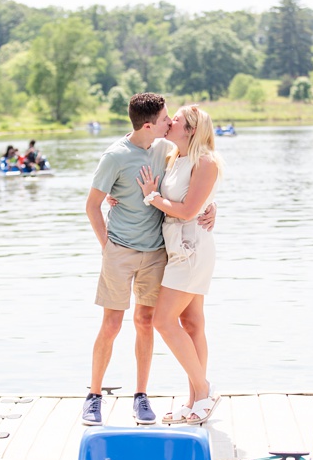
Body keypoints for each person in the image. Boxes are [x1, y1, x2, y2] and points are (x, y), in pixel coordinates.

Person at [83, 93, 215, 426]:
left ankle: (142, 396)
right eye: (165, 119)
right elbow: (92, 205)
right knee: (111, 325)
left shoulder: (165, 149)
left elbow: (192, 189)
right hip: (121, 250)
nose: (170, 123)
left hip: (160, 252)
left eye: (173, 120)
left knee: (147, 322)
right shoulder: (115, 156)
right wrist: (106, 246)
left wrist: (211, 209)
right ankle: (94, 395)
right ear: (148, 124)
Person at [137, 105, 221, 425]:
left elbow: (187, 211)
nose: (170, 123)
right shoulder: (174, 157)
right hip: (177, 249)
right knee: (192, 323)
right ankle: (194, 401)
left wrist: (151, 197)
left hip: (192, 250)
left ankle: (203, 390)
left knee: (163, 320)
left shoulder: (205, 161)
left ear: (191, 130)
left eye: (177, 121)